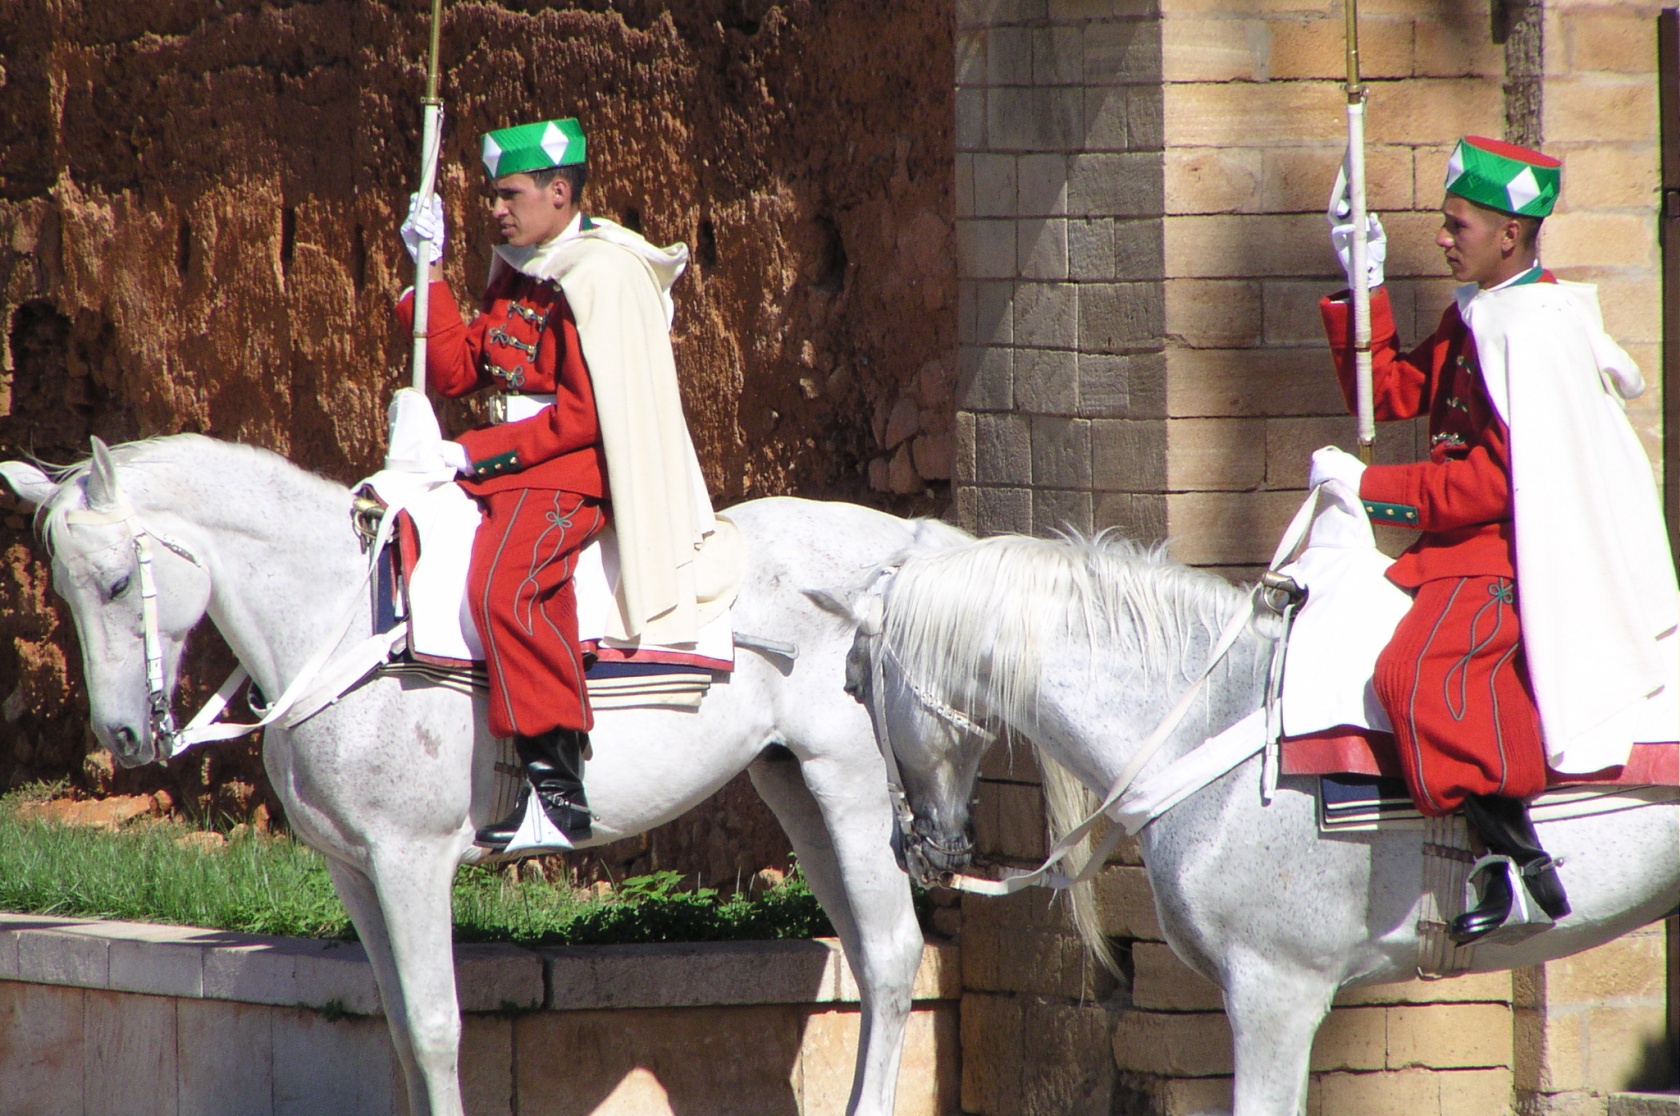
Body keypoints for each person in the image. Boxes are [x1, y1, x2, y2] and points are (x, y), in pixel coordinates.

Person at [1311, 136, 1679, 943]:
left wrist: (1369, 488)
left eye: (1458, 225)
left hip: (1509, 558)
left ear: (1509, 233)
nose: (1443, 238)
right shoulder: (1478, 312)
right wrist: (1362, 276)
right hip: (1455, 553)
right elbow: (1390, 391)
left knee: (1415, 675)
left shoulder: (1537, 327)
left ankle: (1514, 865)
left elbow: (1492, 486)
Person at [395, 117, 724, 851]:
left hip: (569, 472)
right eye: (493, 196)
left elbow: (580, 419)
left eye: (509, 195)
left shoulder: (596, 275)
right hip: (513, 467)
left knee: (505, 587)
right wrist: (429, 273)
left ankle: (556, 787)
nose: (496, 209)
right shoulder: (524, 272)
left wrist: (475, 453)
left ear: (558, 192)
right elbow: (458, 370)